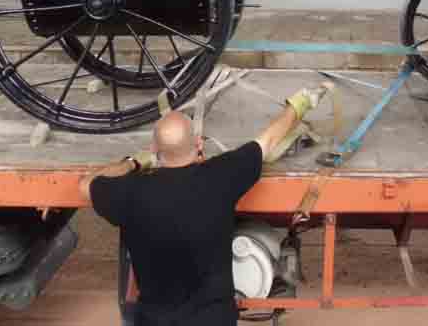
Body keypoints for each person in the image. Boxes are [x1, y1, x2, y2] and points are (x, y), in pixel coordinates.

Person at [79, 85, 326, 326]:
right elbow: (269, 140)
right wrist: (300, 105)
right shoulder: (220, 176)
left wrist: (131, 163)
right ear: (199, 144)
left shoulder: (129, 192)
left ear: (154, 149)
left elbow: (85, 185)